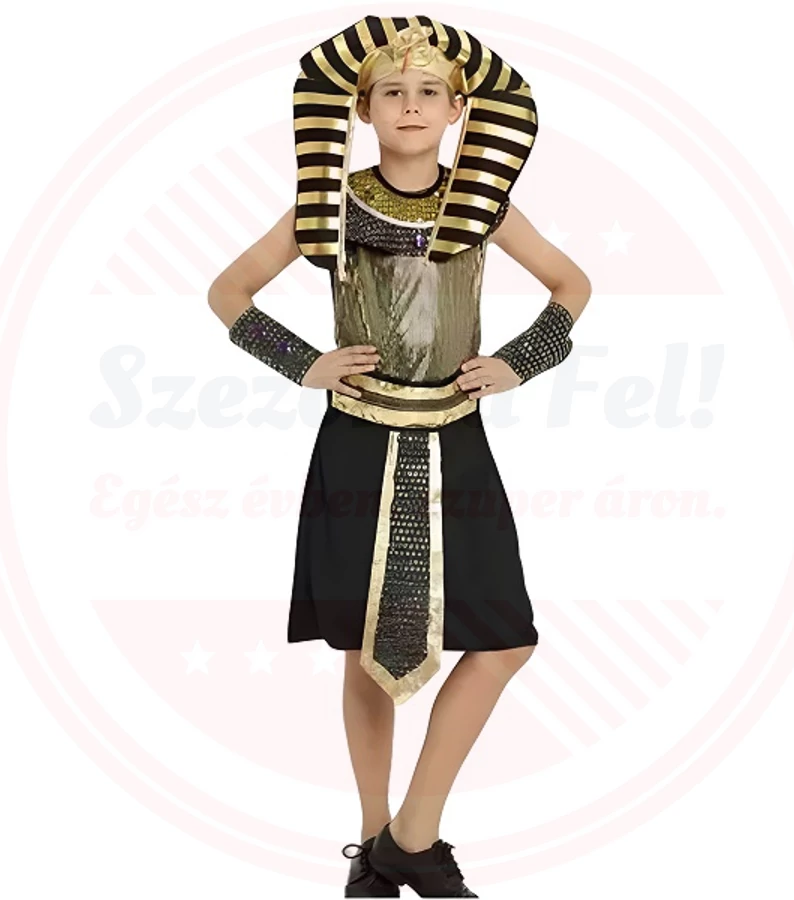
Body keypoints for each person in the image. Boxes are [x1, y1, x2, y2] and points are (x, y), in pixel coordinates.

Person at [208, 15, 591, 898]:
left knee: (505, 642)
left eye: (428, 92)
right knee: (363, 647)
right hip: (356, 442)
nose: (410, 105)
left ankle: (411, 835)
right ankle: (373, 843)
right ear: (362, 108)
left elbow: (573, 284)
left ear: (459, 109)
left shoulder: (483, 202)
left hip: (457, 439)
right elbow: (228, 291)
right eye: (392, 91)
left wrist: (521, 360)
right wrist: (302, 361)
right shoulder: (330, 205)